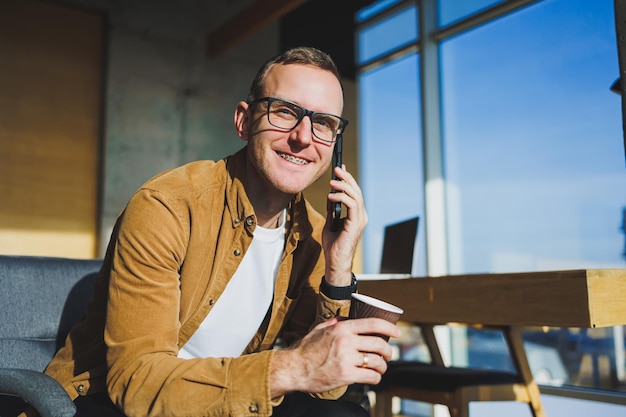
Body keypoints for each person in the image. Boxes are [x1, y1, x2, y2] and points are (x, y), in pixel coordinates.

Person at [37, 46, 400, 417]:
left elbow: (327, 390)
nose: (303, 137)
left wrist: (338, 270)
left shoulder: (314, 234)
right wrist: (294, 367)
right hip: (106, 401)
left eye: (322, 122)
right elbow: (136, 383)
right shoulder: (166, 207)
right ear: (243, 121)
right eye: (286, 112)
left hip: (221, 401)